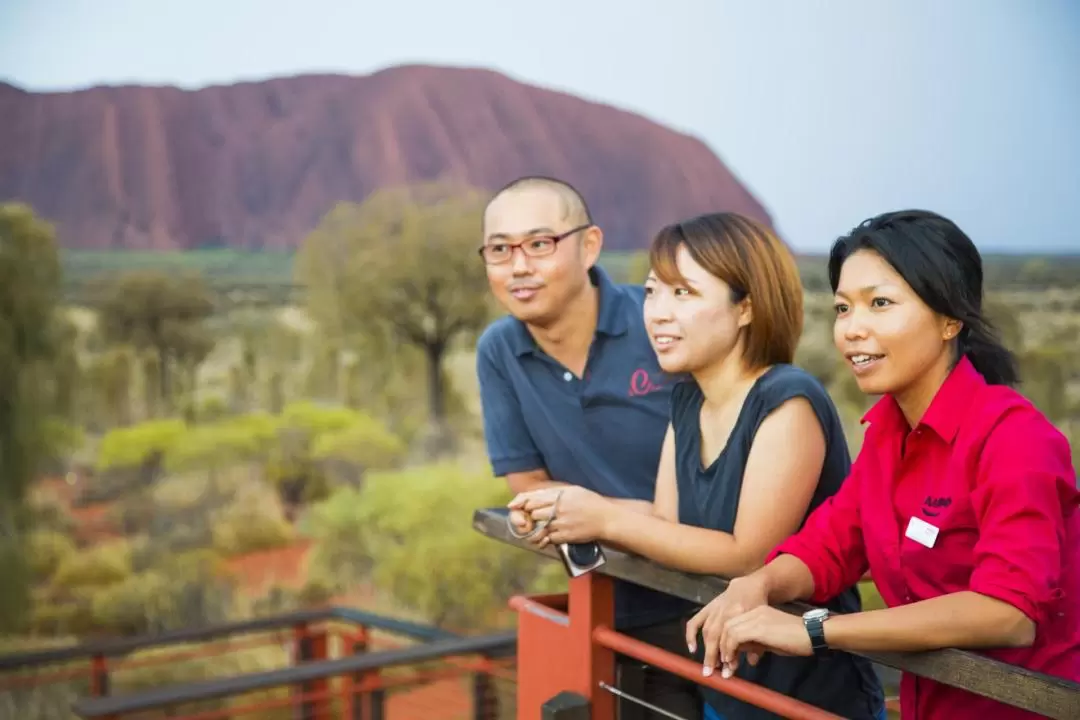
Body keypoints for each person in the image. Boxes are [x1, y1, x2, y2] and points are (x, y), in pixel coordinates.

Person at [684, 209, 1080, 720]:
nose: (852, 329)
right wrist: (758, 586)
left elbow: (1008, 613)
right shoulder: (885, 437)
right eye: (844, 308)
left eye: (881, 304)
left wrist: (813, 631)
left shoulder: (1013, 438)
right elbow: (830, 545)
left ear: (949, 319)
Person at [511, 212, 885, 720]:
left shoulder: (787, 400)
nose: (658, 313)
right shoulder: (688, 400)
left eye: (682, 293)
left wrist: (604, 520)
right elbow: (666, 521)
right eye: (650, 292)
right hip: (725, 685)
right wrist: (565, 509)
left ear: (746, 307)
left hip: (806, 698)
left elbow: (749, 553)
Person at [474, 176, 701, 719]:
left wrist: (598, 514)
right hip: (611, 611)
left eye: (539, 244)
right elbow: (529, 491)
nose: (518, 267)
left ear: (590, 245)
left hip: (720, 605)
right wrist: (641, 519)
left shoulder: (660, 323)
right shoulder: (500, 351)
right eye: (500, 249)